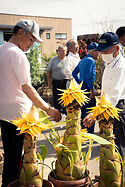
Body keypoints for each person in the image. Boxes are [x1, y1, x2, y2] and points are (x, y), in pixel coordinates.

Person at [0, 19, 61, 187]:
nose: (31, 44)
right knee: (20, 162)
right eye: (31, 40)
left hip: (4, 116)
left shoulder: (1, 50)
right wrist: (48, 109)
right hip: (20, 119)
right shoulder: (17, 54)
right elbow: (26, 87)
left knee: (11, 159)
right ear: (21, 33)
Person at [83, 32, 125, 159]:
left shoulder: (120, 66)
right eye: (101, 52)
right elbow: (106, 91)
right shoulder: (110, 63)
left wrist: (94, 114)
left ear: (116, 48)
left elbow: (113, 96)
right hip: (105, 107)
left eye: (105, 52)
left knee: (118, 146)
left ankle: (120, 176)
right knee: (107, 143)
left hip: (117, 108)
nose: (102, 55)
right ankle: (109, 175)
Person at [72, 42, 100, 133]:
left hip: (82, 88)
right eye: (98, 52)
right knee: (90, 111)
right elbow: (90, 77)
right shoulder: (91, 61)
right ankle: (89, 134)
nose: (99, 54)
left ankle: (83, 132)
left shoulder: (83, 60)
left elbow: (74, 73)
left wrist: (80, 82)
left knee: (84, 110)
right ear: (94, 51)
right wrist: (91, 90)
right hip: (88, 88)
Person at [47, 45, 68, 114]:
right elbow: (48, 71)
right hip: (56, 82)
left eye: (63, 51)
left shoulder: (68, 59)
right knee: (56, 99)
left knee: (66, 99)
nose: (62, 53)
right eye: (60, 51)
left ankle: (66, 113)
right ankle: (57, 113)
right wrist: (49, 82)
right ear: (57, 52)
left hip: (66, 82)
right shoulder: (53, 60)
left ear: (66, 52)